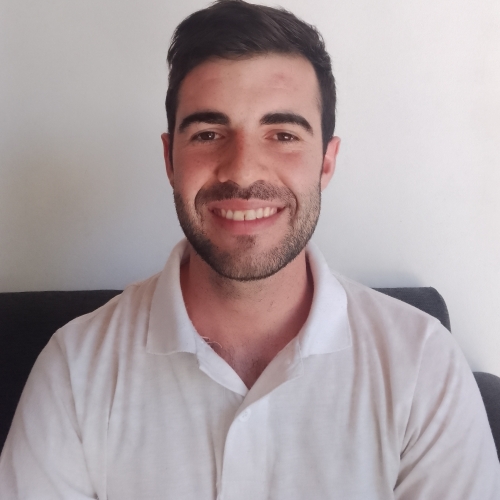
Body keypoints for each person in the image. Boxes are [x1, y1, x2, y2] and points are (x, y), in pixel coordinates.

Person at [0, 0, 499, 498]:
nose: (242, 170)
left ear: (326, 163)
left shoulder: (422, 365)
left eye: (282, 134)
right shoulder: (74, 368)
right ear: (170, 160)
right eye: (208, 134)